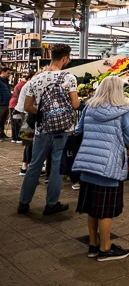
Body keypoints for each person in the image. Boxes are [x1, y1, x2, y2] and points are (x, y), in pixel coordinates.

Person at [72, 76, 129, 262]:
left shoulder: (89, 108)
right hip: (109, 166)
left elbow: (79, 129)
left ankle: (93, 245)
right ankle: (105, 248)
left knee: (93, 208)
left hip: (88, 163)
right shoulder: (123, 112)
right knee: (106, 210)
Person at [18, 44, 79, 216]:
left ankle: (23, 203)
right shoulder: (69, 77)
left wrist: (44, 112)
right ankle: (51, 204)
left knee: (34, 166)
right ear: (65, 58)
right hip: (63, 130)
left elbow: (28, 106)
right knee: (57, 168)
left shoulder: (35, 79)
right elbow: (75, 104)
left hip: (42, 130)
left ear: (51, 55)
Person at [10, 72, 31, 144]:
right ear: (29, 78)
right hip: (19, 106)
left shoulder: (22, 84)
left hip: (17, 105)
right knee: (20, 123)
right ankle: (19, 138)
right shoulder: (24, 85)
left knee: (16, 123)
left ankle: (15, 138)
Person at [0, 67, 11, 141]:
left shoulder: (5, 81)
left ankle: (2, 134)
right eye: (8, 73)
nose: (9, 75)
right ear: (3, 72)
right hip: (1, 103)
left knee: (3, 121)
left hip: (6, 103)